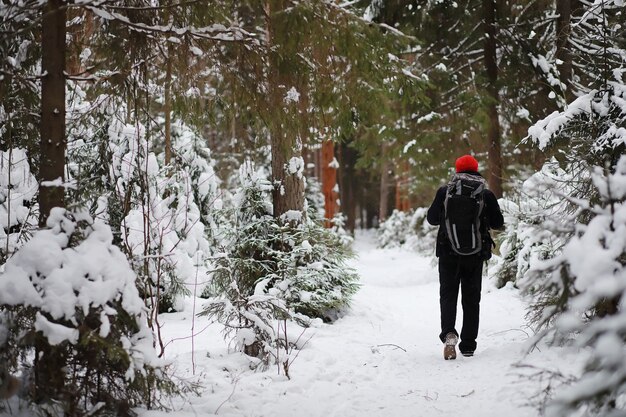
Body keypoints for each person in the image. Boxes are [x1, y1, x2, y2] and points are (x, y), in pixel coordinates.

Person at [426, 154, 504, 360]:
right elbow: (498, 223)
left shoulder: (445, 191)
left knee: (448, 296)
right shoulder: (485, 194)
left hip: (447, 251)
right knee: (471, 299)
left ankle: (449, 335)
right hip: (475, 254)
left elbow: (432, 219)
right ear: (476, 170)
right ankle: (468, 344)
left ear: (457, 170)